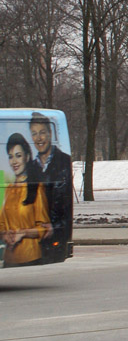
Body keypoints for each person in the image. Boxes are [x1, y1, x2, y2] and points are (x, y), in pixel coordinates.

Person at [1, 133, 51, 267]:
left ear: (27, 157)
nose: (14, 162)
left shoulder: (35, 188)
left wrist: (22, 233)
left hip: (31, 257)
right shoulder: (8, 189)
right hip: (9, 259)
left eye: (18, 156)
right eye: (11, 157)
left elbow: (43, 229)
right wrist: (4, 235)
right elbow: (2, 223)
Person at [30, 112, 73, 262]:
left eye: (42, 132)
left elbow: (65, 203)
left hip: (53, 232)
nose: (39, 138)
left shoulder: (63, 162)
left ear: (50, 134)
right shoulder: (31, 167)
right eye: (34, 134)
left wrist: (56, 227)